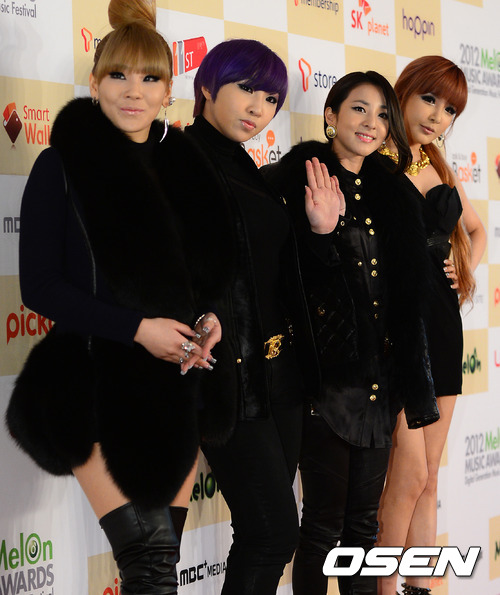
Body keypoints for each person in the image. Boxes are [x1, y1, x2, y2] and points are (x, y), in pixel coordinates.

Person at [5, 1, 234, 592]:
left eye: (150, 78)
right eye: (119, 75)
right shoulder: (60, 167)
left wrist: (209, 319)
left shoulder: (185, 167)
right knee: (150, 566)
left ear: (168, 91)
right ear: (94, 82)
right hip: (91, 381)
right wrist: (137, 329)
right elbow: (40, 287)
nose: (134, 91)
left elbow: (207, 277)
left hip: (174, 386)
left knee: (160, 566)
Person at [263, 71, 439, 595]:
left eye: (383, 114)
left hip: (381, 380)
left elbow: (404, 286)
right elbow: (284, 282)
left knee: (363, 528)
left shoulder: (395, 192)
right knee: (322, 528)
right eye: (359, 108)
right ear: (331, 115)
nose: (372, 123)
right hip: (327, 379)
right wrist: (323, 232)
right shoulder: (294, 180)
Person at [184, 39, 341, 595]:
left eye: (271, 98)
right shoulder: (181, 160)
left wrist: (321, 232)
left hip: (281, 377)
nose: (258, 107)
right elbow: (161, 264)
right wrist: (197, 317)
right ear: (207, 85)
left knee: (266, 535)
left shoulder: (248, 167)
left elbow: (278, 273)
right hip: (229, 377)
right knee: (273, 533)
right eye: (246, 88)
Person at [376, 55, 486, 595]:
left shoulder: (438, 162)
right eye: (429, 99)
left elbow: (477, 229)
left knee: (431, 473)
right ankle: (384, 587)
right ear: (403, 92)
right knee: (409, 472)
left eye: (450, 110)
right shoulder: (373, 158)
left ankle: (419, 587)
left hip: (442, 323)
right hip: (398, 328)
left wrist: (464, 269)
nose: (438, 115)